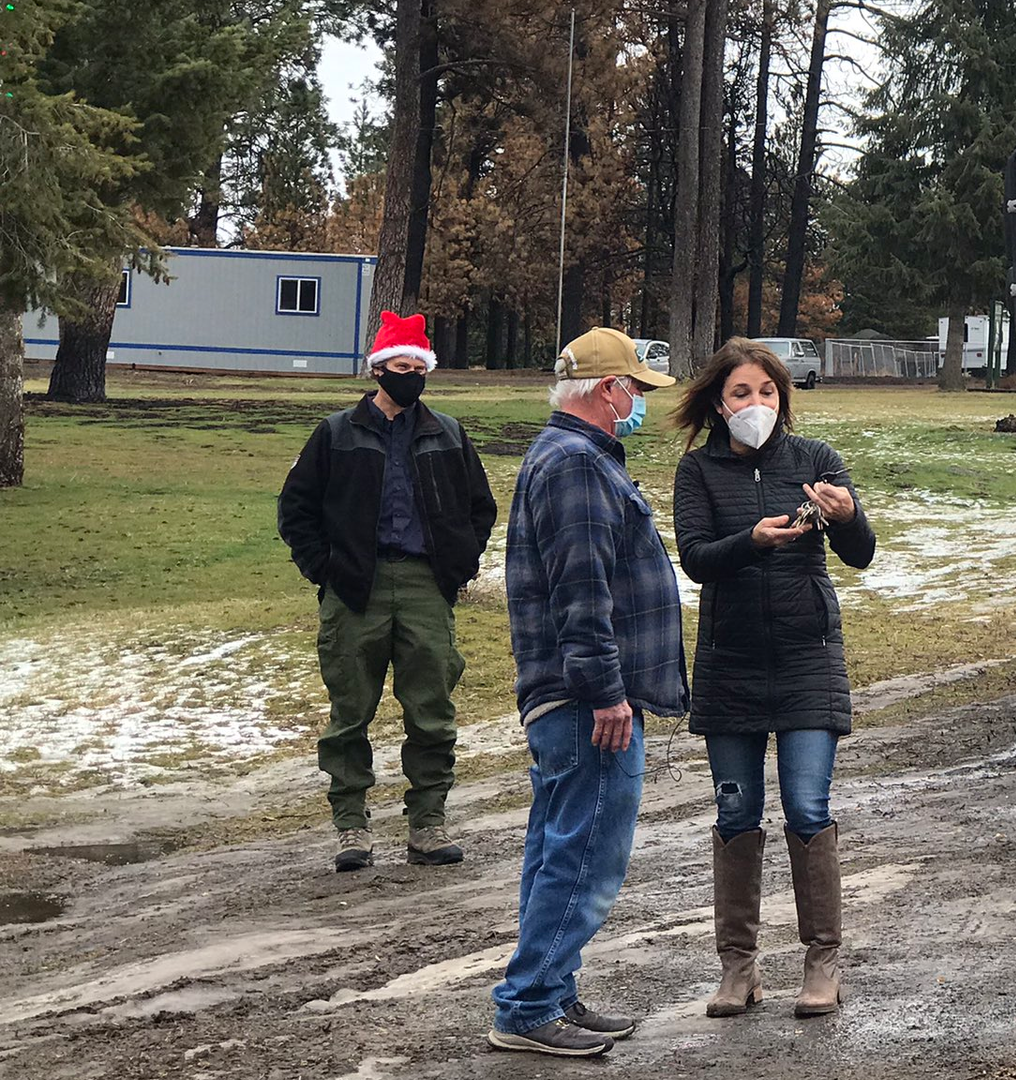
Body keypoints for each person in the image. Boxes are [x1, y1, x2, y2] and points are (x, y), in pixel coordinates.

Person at [487, 327, 686, 1057]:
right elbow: (582, 590)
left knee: (557, 847)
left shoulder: (569, 456)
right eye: (634, 388)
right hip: (587, 702)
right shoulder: (575, 464)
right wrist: (607, 691)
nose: (638, 402)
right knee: (585, 858)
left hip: (570, 697)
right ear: (609, 391)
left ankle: (551, 989)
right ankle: (529, 1006)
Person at [671, 337, 875, 1019]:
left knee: (808, 810)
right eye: (740, 393)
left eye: (766, 392)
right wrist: (750, 542)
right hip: (729, 666)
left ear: (783, 398)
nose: (755, 404)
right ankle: (739, 970)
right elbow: (697, 558)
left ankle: (823, 964)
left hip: (805, 661)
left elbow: (862, 554)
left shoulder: (815, 460)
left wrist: (848, 517)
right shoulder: (697, 472)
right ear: (717, 403)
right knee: (735, 815)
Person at [278, 311, 497, 873]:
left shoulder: (447, 433)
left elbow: (481, 507)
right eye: (399, 366)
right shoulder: (335, 434)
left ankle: (428, 822)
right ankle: (351, 827)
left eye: (417, 367)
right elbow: (296, 510)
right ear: (379, 370)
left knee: (431, 709)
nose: (409, 375)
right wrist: (324, 570)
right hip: (355, 590)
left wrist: (459, 565)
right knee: (350, 712)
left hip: (427, 585)